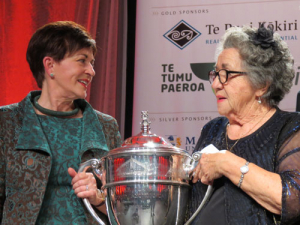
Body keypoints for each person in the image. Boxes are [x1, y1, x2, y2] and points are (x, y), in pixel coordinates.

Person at [0, 21, 121, 224]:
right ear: (50, 65)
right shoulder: (7, 121)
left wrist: (98, 199)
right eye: (82, 61)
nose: (91, 71)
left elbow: (125, 210)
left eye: (92, 63)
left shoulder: (106, 126)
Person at [188, 24, 300, 225]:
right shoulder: (212, 129)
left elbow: (293, 199)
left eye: (227, 74)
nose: (215, 84)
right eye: (215, 74)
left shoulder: (290, 128)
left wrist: (226, 163)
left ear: (261, 85)